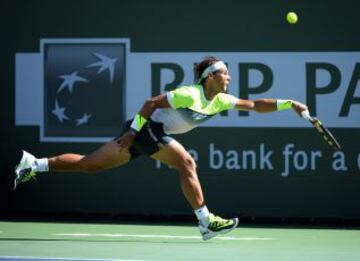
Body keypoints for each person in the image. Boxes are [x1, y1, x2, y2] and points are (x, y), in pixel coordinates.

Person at [14, 56, 308, 240]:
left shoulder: (221, 100)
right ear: (210, 77)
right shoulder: (188, 94)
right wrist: (131, 133)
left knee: (90, 165)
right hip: (146, 129)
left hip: (153, 134)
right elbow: (151, 103)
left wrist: (289, 104)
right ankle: (206, 222)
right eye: (224, 74)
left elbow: (256, 105)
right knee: (186, 164)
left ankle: (33, 164)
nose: (229, 78)